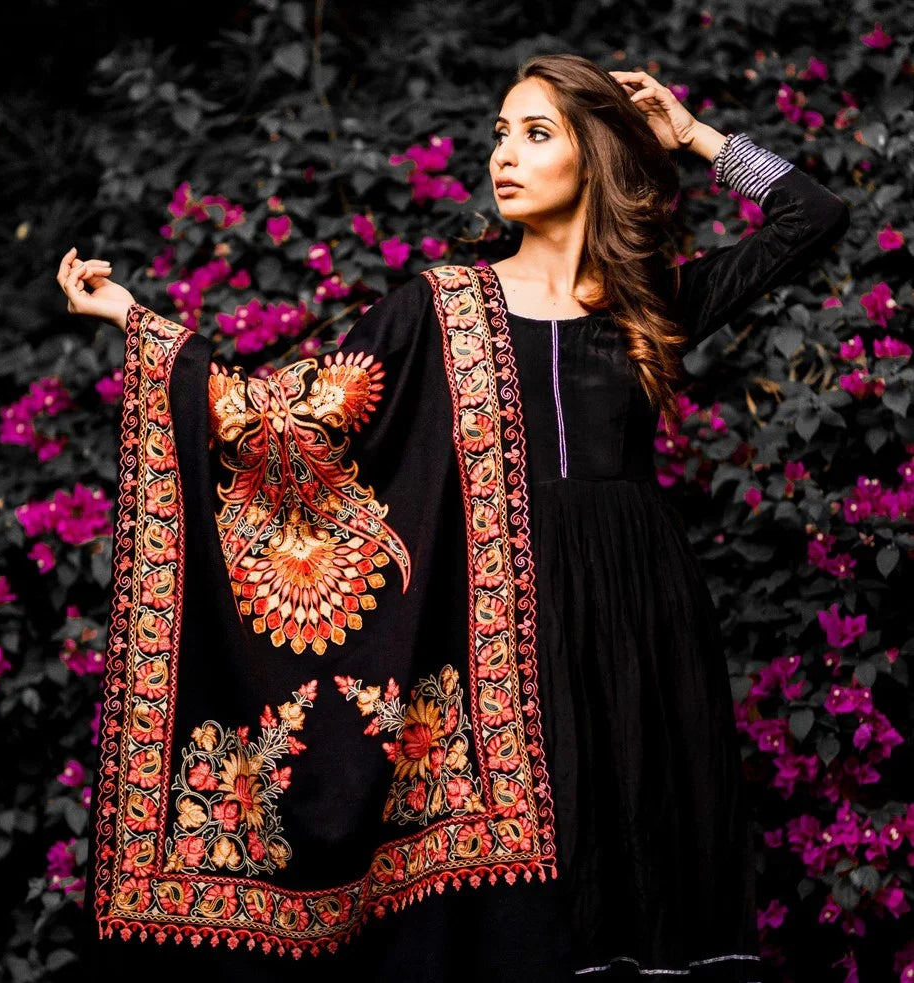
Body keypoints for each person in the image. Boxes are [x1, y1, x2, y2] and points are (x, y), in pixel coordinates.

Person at [58, 54, 849, 982]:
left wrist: (690, 133)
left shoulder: (649, 305)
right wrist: (138, 324)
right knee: (547, 911)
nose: (503, 156)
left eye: (536, 133)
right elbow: (285, 418)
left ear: (594, 158)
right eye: (498, 135)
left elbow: (813, 217)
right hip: (506, 628)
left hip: (647, 615)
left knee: (653, 864)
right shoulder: (439, 307)